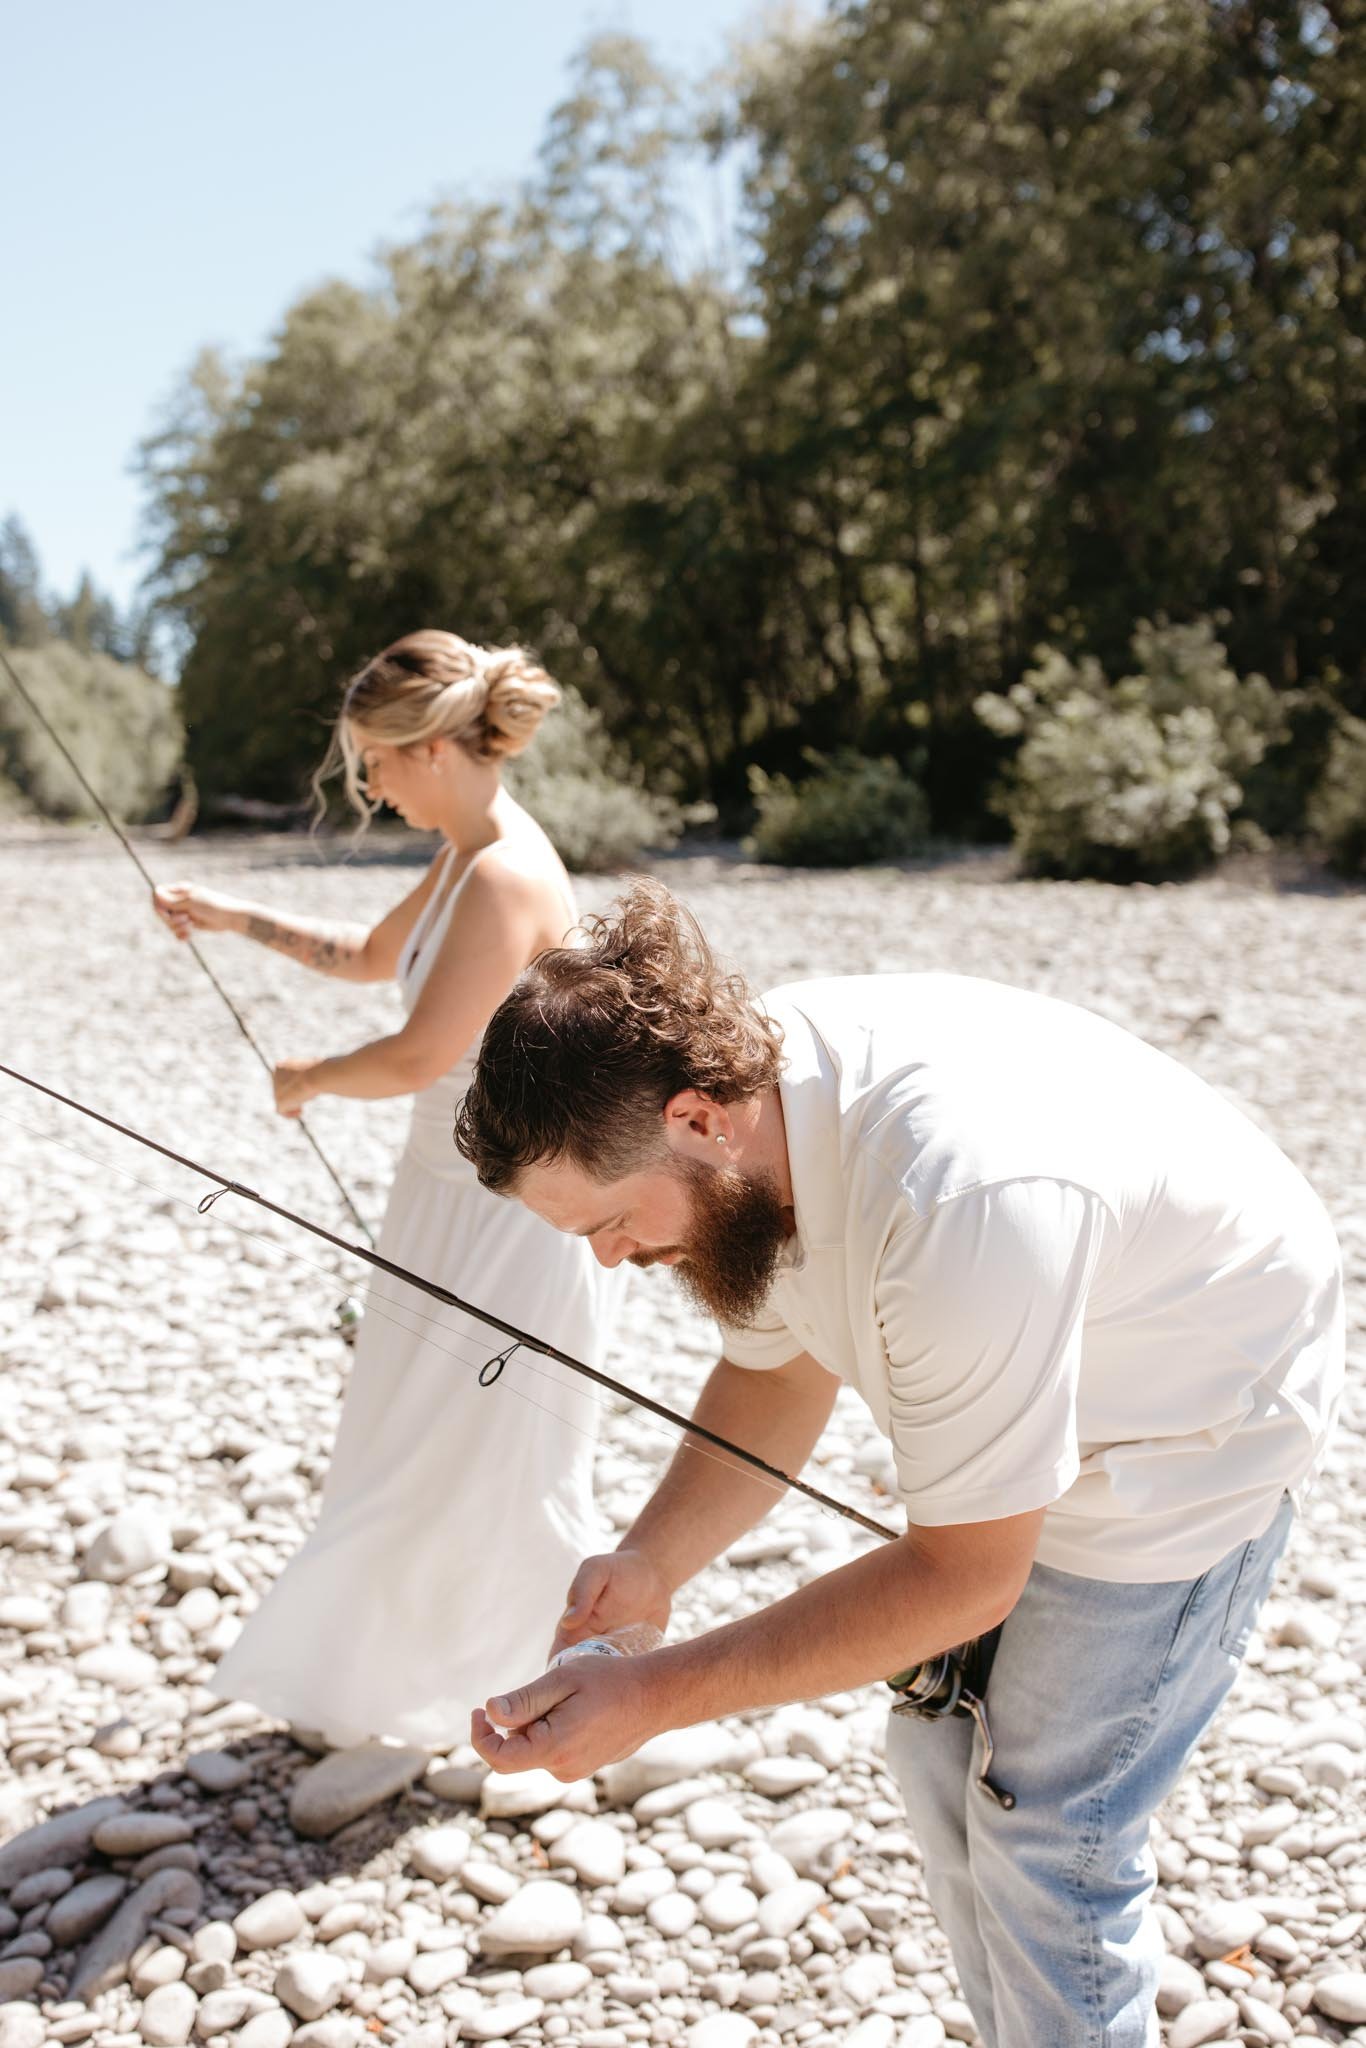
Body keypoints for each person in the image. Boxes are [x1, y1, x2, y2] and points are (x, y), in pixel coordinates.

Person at [451, 878, 1344, 2048]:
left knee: (1048, 1831)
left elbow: (963, 1576)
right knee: (933, 1751)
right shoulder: (750, 1129)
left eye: (606, 1221)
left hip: (1191, 1423)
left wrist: (655, 1695)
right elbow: (776, 1374)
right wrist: (652, 1561)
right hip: (1037, 1364)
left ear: (697, 1120)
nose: (611, 1259)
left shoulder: (955, 1201)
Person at [152, 629, 618, 1751]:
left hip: (508, 1215)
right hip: (444, 1197)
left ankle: (553, 1695)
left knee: (488, 1456)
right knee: (413, 1442)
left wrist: (310, 1076)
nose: (369, 784)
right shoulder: (464, 853)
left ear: (435, 749)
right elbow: (369, 954)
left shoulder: (503, 871)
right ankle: (425, 1693)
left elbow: (418, 1055)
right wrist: (230, 915)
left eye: (375, 759)